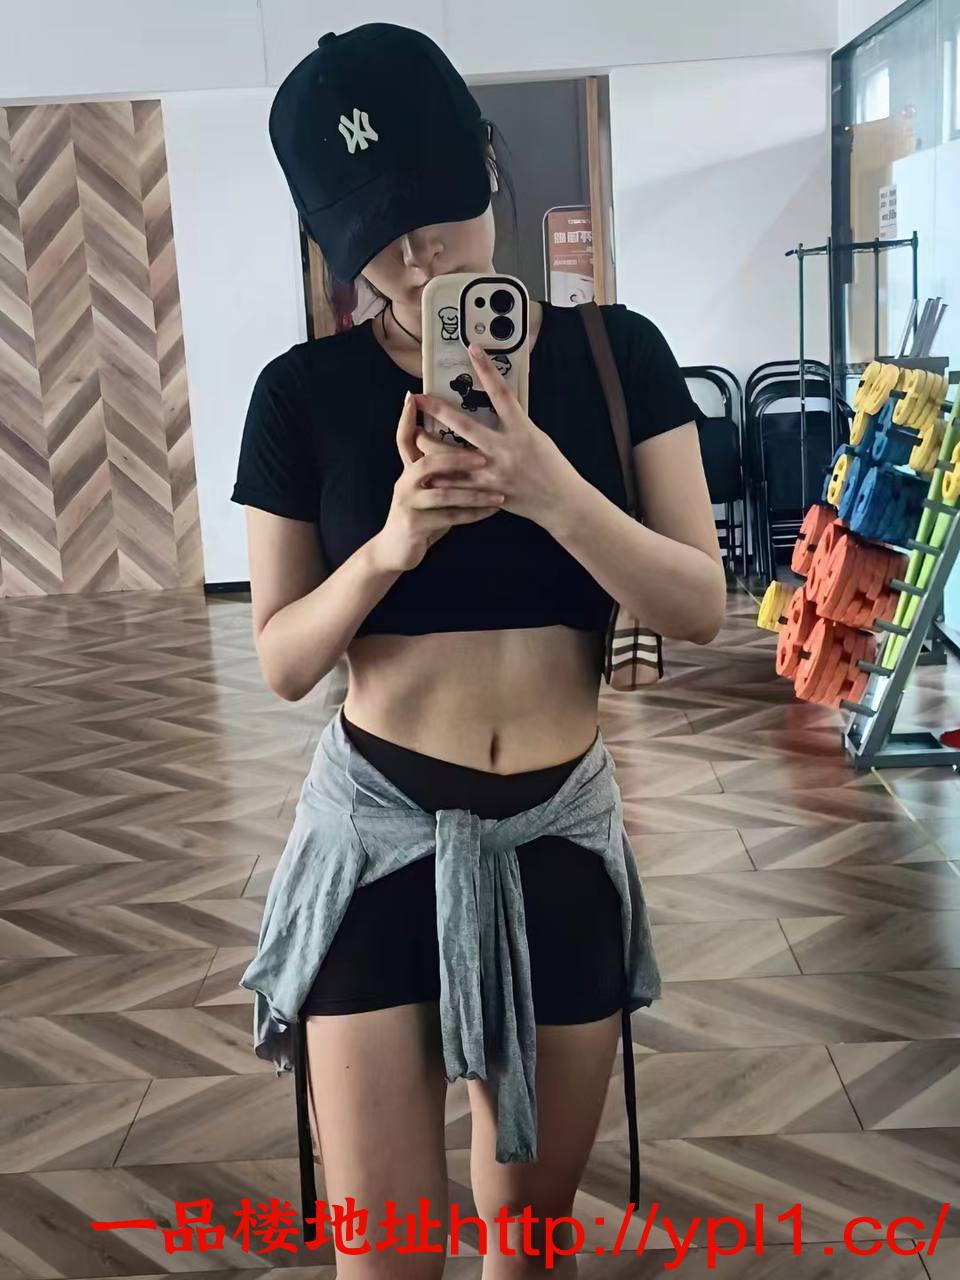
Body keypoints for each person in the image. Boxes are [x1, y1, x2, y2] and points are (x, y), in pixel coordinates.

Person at [230, 21, 725, 1278]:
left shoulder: (621, 355)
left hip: (559, 833)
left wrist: (553, 491)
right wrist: (391, 546)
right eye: (373, 234)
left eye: (433, 209)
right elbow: (284, 659)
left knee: (529, 1244)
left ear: (486, 166)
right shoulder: (299, 395)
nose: (415, 256)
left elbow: (699, 605)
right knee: (388, 1258)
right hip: (377, 842)